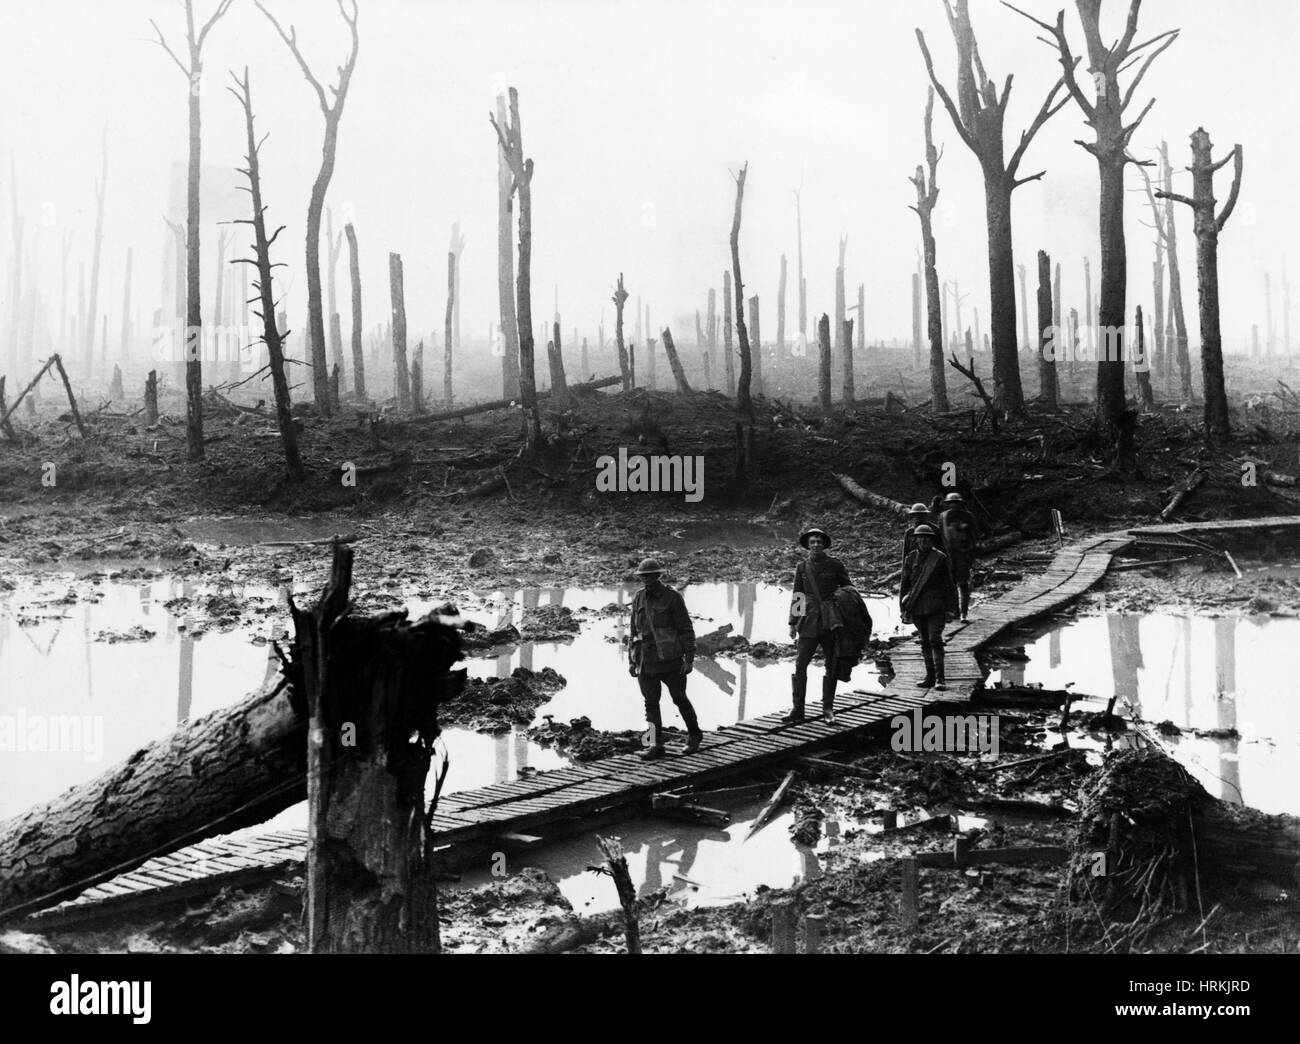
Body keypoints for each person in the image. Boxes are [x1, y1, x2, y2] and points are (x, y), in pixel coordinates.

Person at [628, 558, 701, 759]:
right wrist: (631, 660)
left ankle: (694, 736)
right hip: (645, 661)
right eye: (643, 576)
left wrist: (689, 659)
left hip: (670, 660)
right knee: (650, 704)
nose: (646, 579)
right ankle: (654, 745)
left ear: (658, 576)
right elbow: (634, 630)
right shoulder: (638, 597)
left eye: (650, 575)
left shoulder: (672, 598)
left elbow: (686, 628)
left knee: (680, 699)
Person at [786, 527, 852, 723]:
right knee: (800, 664)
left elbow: (849, 590)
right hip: (808, 621)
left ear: (825, 545)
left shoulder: (835, 565)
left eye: (819, 542)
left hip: (830, 621)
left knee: (831, 664)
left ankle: (828, 709)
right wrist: (792, 623)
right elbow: (797, 594)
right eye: (812, 542)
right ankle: (798, 710)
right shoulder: (801, 567)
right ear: (807, 545)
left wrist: (841, 609)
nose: (816, 545)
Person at [899, 524, 959, 689]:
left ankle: (941, 679)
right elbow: (904, 585)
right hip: (916, 605)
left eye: (927, 538)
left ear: (932, 540)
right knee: (924, 641)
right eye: (920, 537)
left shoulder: (940, 558)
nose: (923, 540)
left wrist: (951, 609)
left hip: (936, 605)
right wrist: (903, 609)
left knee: (935, 640)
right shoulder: (910, 558)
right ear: (916, 539)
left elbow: (949, 585)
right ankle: (929, 677)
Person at [937, 491, 977, 621]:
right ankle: (955, 611)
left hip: (963, 554)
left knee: (963, 583)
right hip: (948, 555)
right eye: (951, 503)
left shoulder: (968, 516)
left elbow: (975, 534)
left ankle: (964, 612)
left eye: (956, 503)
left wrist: (970, 551)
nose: (954, 505)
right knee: (950, 584)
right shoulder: (943, 516)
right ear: (948, 504)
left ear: (960, 504)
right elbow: (940, 536)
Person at [901, 502, 940, 567]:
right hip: (915, 565)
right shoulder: (909, 532)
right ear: (912, 516)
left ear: (926, 516)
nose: (919, 517)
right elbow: (905, 554)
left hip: (932, 565)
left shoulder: (935, 530)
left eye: (922, 515)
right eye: (916, 515)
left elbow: (942, 549)